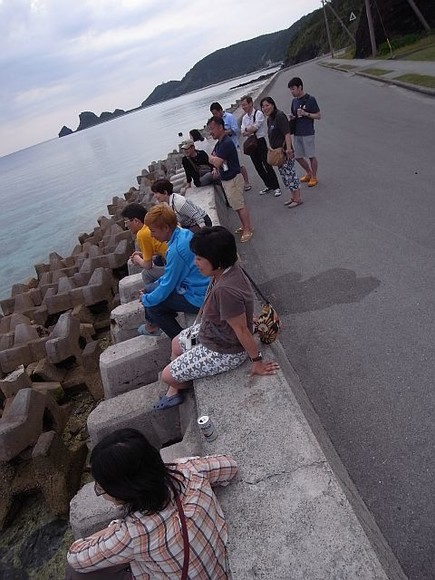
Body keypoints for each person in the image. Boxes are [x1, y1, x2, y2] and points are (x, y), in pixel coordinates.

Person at [66, 428, 238, 579]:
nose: (102, 492)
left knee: (76, 574)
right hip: (220, 570)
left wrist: (115, 526)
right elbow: (230, 466)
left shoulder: (133, 534)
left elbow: (75, 557)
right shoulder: (188, 470)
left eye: (102, 487)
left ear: (123, 490)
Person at [154, 226, 279, 411]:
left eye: (199, 258)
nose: (195, 262)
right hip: (214, 331)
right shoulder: (229, 270)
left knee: (166, 376)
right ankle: (179, 376)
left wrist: (257, 362)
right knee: (175, 343)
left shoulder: (225, 290)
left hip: (224, 349)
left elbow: (242, 331)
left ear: (218, 262)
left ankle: (180, 385)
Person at [138, 205, 209, 339]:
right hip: (199, 286)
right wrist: (151, 289)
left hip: (199, 296)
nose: (152, 236)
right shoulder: (183, 233)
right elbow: (169, 277)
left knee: (153, 306)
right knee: (149, 289)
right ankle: (155, 325)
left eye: (153, 231)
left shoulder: (176, 250)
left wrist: (146, 300)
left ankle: (184, 342)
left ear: (165, 228)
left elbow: (168, 285)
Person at [207, 116, 254, 243]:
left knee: (239, 205)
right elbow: (216, 159)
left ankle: (247, 229)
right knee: (236, 205)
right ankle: (245, 226)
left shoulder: (226, 143)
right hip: (227, 178)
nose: (211, 132)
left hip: (233, 178)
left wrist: (210, 158)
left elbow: (216, 161)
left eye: (212, 129)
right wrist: (215, 163)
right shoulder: (219, 143)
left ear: (220, 127)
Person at [260, 97, 302, 209]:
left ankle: (297, 198)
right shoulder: (270, 119)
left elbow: (287, 133)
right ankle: (293, 196)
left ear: (273, 105)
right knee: (285, 175)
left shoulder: (279, 116)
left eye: (267, 105)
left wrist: (289, 149)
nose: (265, 108)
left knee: (290, 174)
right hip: (277, 152)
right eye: (263, 106)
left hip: (284, 151)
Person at [240, 95, 281, 197]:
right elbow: (242, 131)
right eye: (242, 105)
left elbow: (256, 127)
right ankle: (268, 185)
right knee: (258, 167)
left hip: (260, 141)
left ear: (250, 104)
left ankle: (276, 187)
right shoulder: (244, 118)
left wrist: (248, 129)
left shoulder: (258, 113)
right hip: (251, 144)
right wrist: (248, 129)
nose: (243, 107)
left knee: (267, 164)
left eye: (245, 105)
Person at [121, 203, 167, 288]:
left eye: (126, 222)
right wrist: (142, 254)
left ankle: (152, 295)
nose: (125, 226)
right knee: (157, 260)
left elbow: (147, 265)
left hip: (179, 267)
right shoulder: (150, 224)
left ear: (136, 221)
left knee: (146, 274)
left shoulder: (142, 234)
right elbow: (159, 246)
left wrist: (137, 259)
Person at [209, 102, 252, 192]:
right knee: (227, 166)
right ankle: (238, 184)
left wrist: (224, 132)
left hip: (233, 144)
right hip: (223, 148)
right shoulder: (216, 122)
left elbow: (236, 130)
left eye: (216, 113)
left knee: (240, 165)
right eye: (213, 114)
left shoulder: (229, 117)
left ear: (220, 110)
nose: (215, 115)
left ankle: (246, 182)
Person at [288, 77, 321, 187]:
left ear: (300, 87)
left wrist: (306, 114)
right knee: (297, 156)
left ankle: (314, 176)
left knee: (311, 156)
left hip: (308, 131)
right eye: (290, 90)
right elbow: (294, 115)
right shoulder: (294, 101)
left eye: (293, 89)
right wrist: (292, 117)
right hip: (297, 132)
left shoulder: (310, 99)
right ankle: (309, 173)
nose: (292, 92)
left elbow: (318, 115)